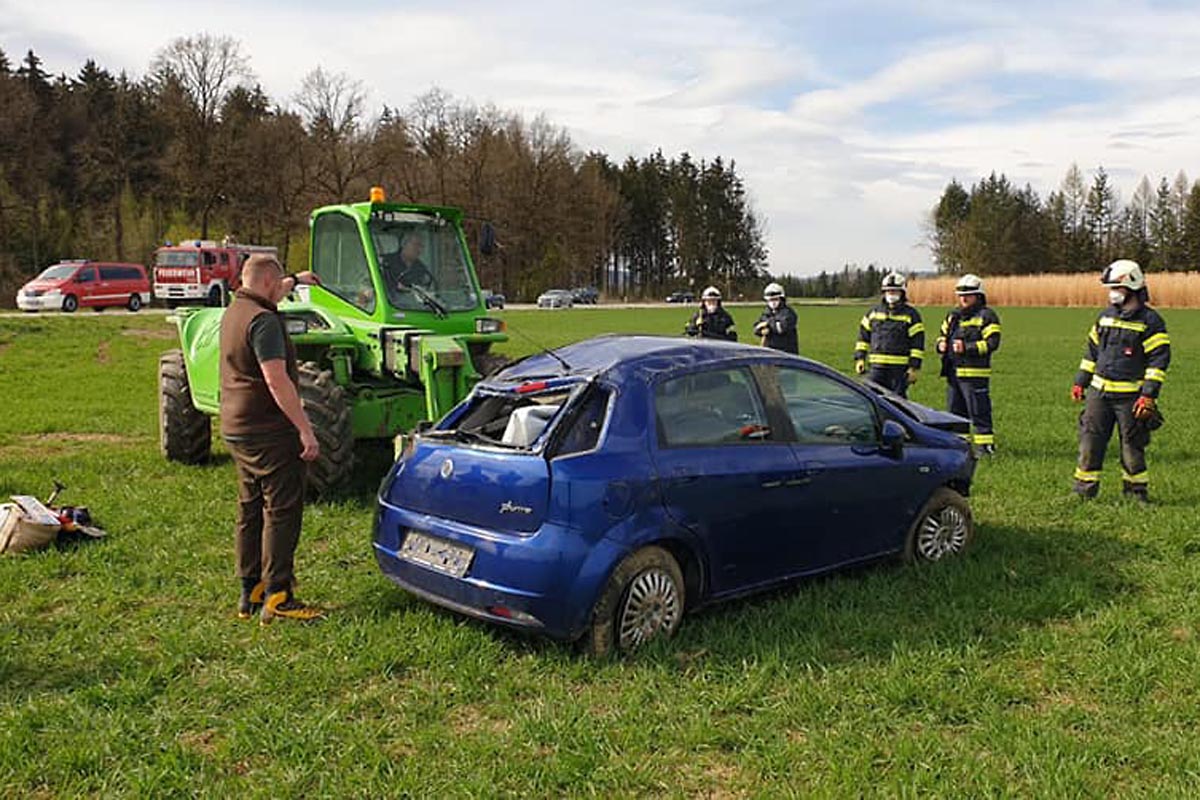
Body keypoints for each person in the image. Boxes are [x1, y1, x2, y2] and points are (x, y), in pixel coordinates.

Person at [219, 254, 324, 624]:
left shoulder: (236, 309)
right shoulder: (264, 322)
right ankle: (279, 595)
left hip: (236, 428)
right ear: (267, 284)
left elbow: (273, 284)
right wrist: (304, 429)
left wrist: (296, 278)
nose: (282, 292)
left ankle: (251, 591)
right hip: (269, 431)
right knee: (281, 511)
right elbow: (276, 380)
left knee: (250, 507)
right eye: (278, 286)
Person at [1070, 259, 1171, 502]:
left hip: (1131, 397)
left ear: (1132, 286)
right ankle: (1084, 492)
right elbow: (1092, 353)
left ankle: (1135, 494)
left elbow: (1159, 361)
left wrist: (1148, 394)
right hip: (1099, 394)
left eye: (1116, 288)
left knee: (1132, 447)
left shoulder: (1150, 322)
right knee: (1089, 443)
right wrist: (1080, 381)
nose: (1111, 293)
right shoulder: (1104, 317)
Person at [936, 274, 1001, 454]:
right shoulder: (952, 316)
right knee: (955, 414)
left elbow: (992, 343)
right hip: (953, 373)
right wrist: (940, 344)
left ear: (978, 296)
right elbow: (942, 335)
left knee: (979, 412)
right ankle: (960, 447)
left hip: (974, 374)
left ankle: (985, 448)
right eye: (960, 295)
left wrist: (967, 347)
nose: (963, 299)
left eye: (968, 295)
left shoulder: (987, 316)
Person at [853, 272, 924, 397]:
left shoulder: (911, 315)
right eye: (888, 291)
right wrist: (860, 358)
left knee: (898, 404)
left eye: (894, 291)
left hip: (899, 370)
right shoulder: (873, 313)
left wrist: (913, 368)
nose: (891, 294)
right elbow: (863, 338)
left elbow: (917, 344)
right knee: (873, 401)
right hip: (876, 368)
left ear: (902, 293)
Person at [753, 282, 799, 354]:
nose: (773, 303)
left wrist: (767, 324)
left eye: (775, 299)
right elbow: (756, 328)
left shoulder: (788, 313)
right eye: (770, 300)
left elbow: (781, 328)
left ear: (781, 299)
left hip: (786, 353)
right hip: (769, 352)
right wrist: (761, 331)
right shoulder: (766, 312)